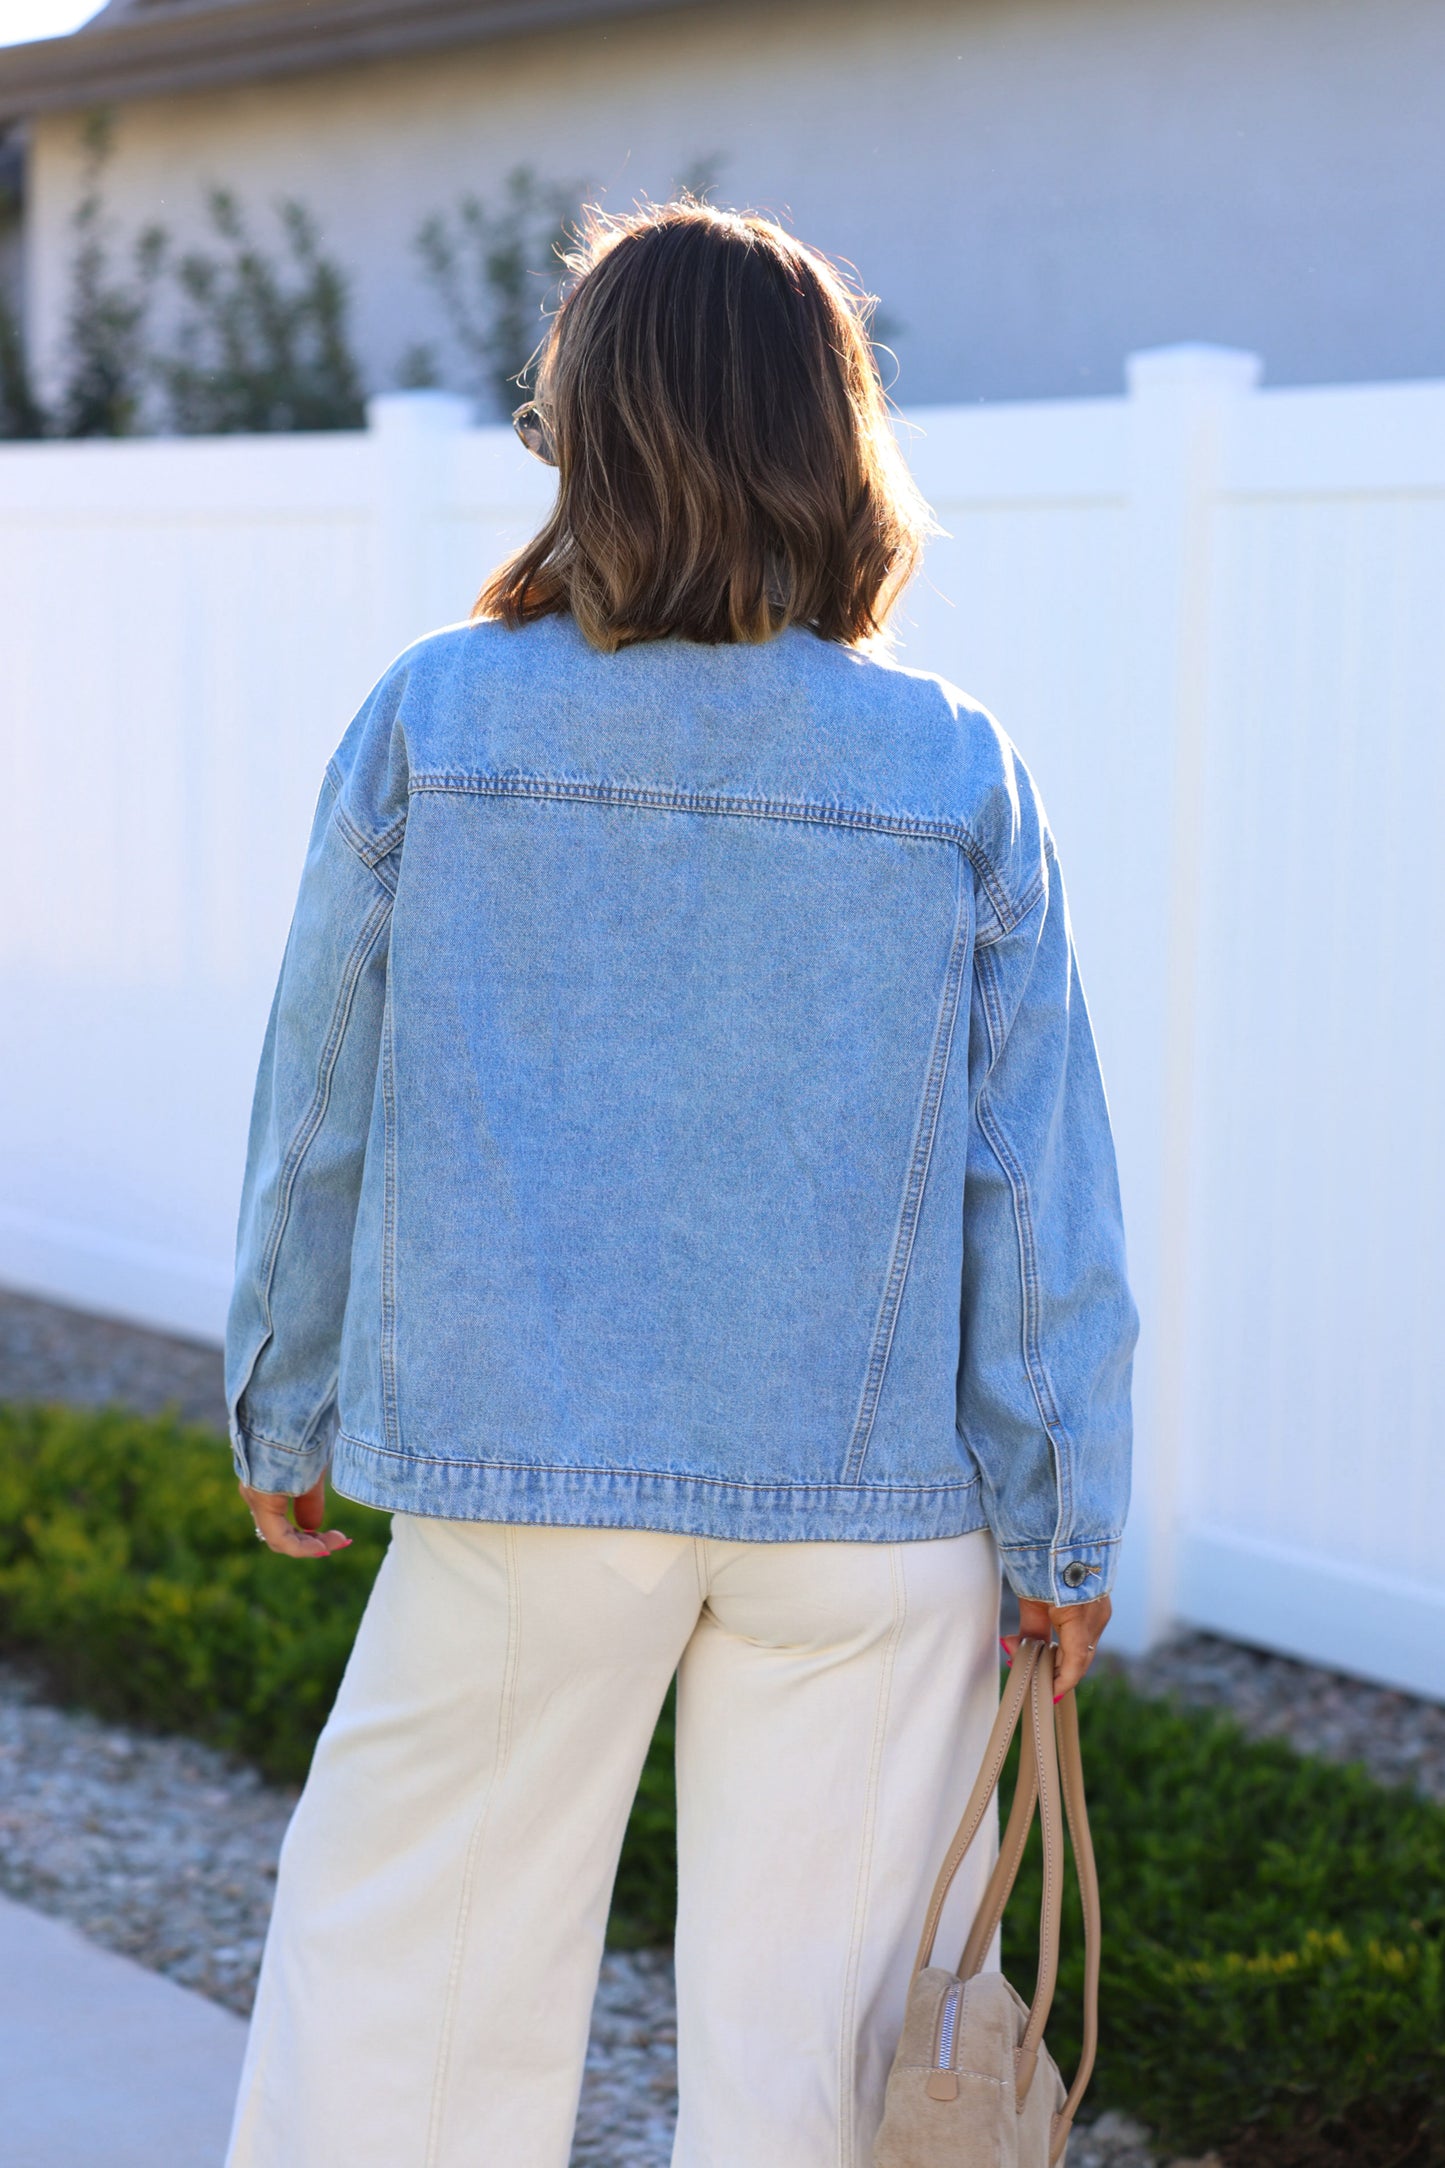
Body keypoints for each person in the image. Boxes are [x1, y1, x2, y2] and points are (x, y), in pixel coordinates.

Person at [223, 201, 1136, 2168]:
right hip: (869, 1515)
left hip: (519, 1484)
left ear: (582, 427)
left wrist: (280, 1394)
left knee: (399, 2029)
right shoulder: (951, 769)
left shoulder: (433, 722)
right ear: (834, 441)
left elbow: (320, 1103)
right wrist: (1065, 1526)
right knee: (810, 2080)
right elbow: (1034, 1187)